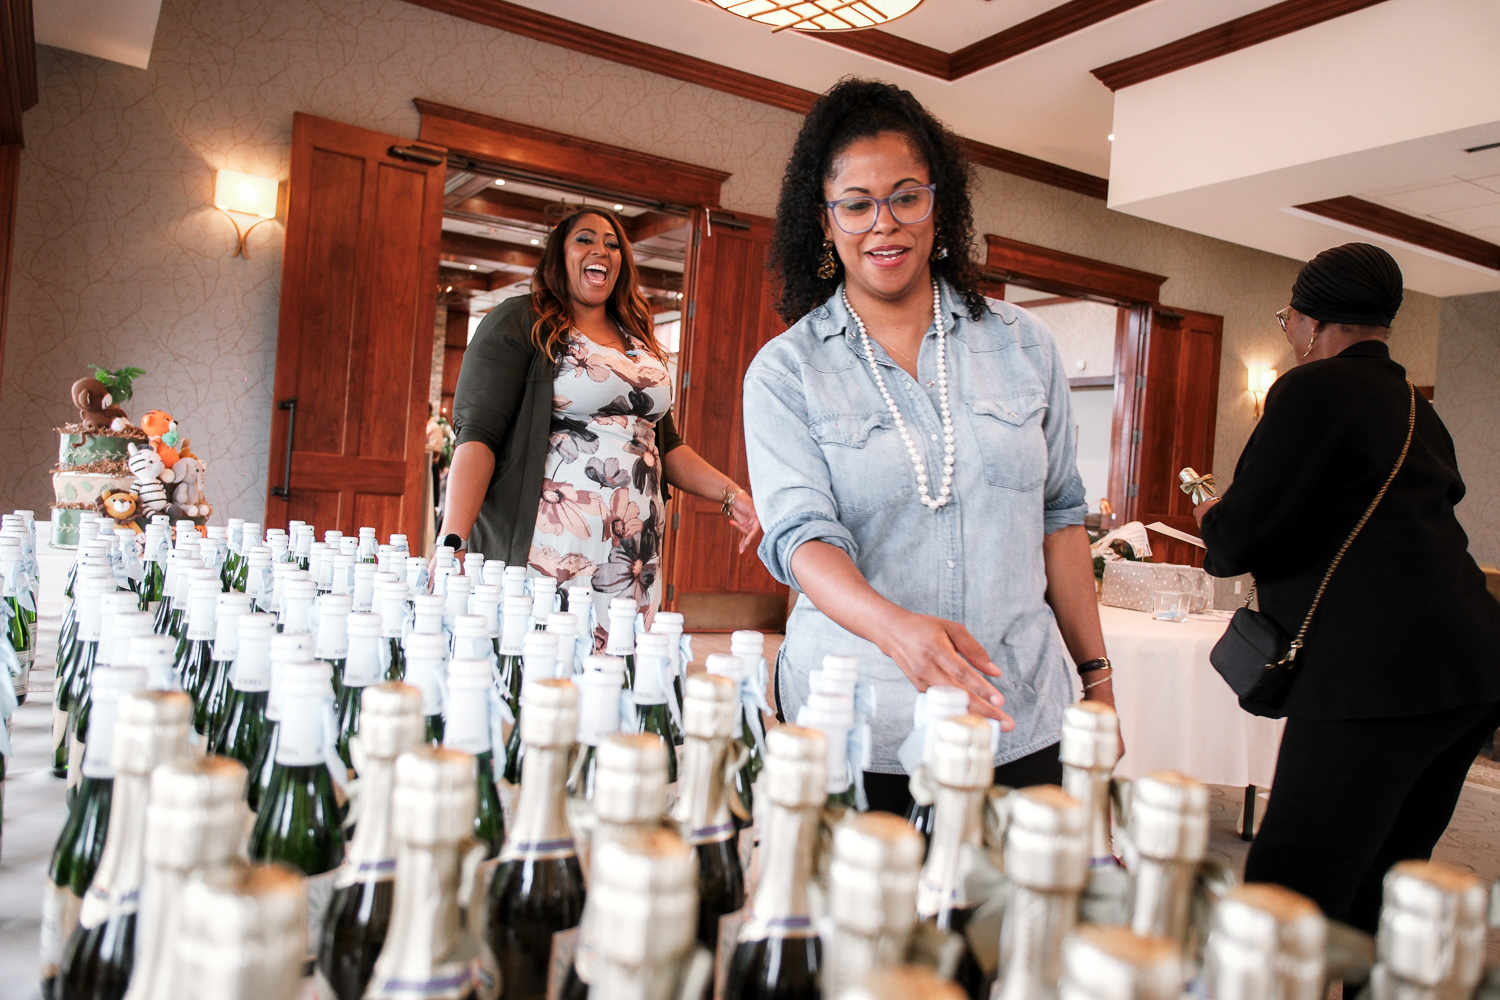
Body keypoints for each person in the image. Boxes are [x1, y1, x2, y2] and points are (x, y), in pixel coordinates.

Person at [742, 78, 1114, 812]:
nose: (884, 225)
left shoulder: (1026, 345)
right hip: (859, 718)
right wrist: (898, 632)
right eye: (856, 205)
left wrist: (1098, 681)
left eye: (906, 197)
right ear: (824, 222)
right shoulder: (787, 371)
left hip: (1019, 713)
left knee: (1016, 889)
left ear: (939, 204)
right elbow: (801, 538)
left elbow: (1061, 519)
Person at [1194, 242, 1500, 933]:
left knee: (1288, 887)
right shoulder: (1418, 407)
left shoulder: (1313, 388)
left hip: (1374, 671)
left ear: (1311, 322)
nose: (1290, 335)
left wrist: (1213, 516)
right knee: (1389, 878)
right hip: (1473, 664)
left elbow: (1240, 538)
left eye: (1287, 320)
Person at [441, 207, 760, 637]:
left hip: (633, 551)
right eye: (585, 239)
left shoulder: (637, 336)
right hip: (552, 544)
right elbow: (478, 436)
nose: (601, 250)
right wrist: (453, 543)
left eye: (612, 244)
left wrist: (732, 494)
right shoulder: (521, 320)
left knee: (620, 662)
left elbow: (665, 446)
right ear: (560, 255)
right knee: (551, 662)